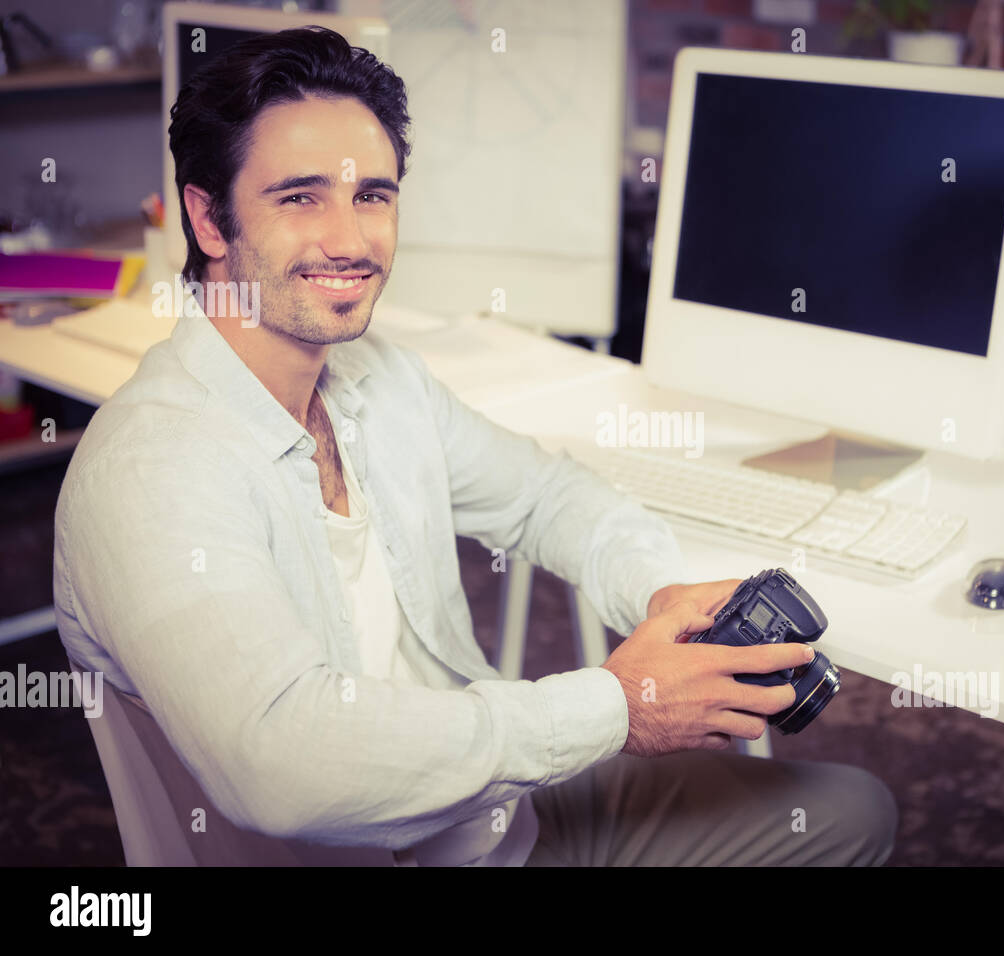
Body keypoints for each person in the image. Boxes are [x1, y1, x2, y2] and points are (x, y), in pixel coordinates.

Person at [53, 26, 896, 866]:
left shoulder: (378, 379)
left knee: (850, 809)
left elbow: (546, 496)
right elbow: (281, 765)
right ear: (207, 216)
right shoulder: (149, 470)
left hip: (494, 818)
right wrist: (615, 707)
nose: (349, 240)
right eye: (301, 197)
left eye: (372, 196)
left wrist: (658, 592)